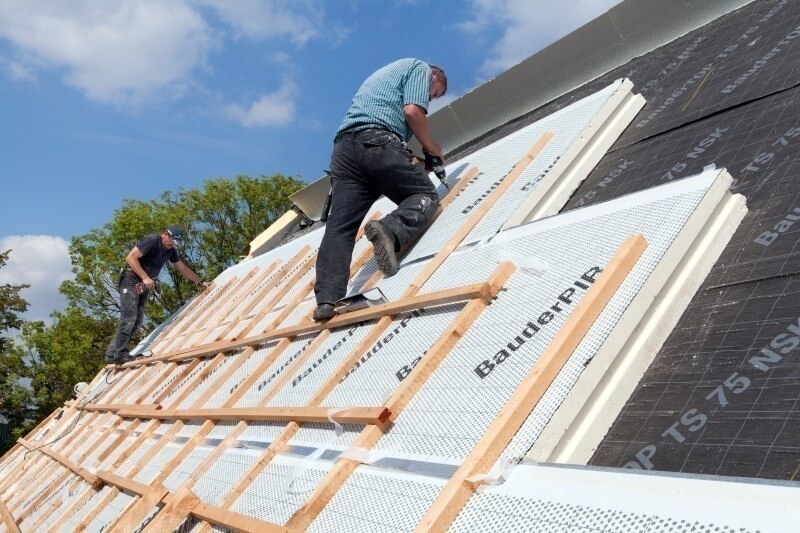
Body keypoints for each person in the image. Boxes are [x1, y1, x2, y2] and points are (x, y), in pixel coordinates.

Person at [313, 58, 448, 321]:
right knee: (425, 195)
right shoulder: (419, 67)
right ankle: (390, 228)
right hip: (377, 140)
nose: (430, 100)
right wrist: (433, 149)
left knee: (340, 228)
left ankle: (327, 301)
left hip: (345, 152)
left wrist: (414, 161)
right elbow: (412, 112)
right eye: (433, 93)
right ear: (434, 77)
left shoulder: (383, 80)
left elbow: (381, 155)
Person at [105, 225, 209, 364]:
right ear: (165, 235)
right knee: (129, 317)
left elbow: (182, 268)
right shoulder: (152, 240)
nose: (172, 244)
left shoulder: (171, 250)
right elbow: (130, 258)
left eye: (176, 243)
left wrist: (201, 282)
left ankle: (111, 354)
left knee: (137, 322)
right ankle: (119, 354)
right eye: (171, 240)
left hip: (143, 284)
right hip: (131, 280)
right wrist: (145, 277)